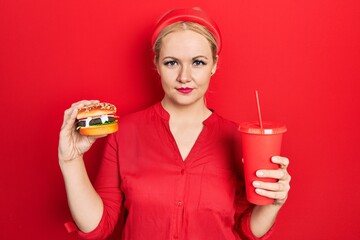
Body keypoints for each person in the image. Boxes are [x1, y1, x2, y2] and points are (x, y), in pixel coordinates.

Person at [58, 8, 291, 240]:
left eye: (198, 62)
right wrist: (71, 161)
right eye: (171, 63)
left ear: (214, 64)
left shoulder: (238, 138)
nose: (184, 76)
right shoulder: (125, 133)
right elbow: (97, 226)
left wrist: (273, 203)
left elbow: (246, 229)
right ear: (157, 63)